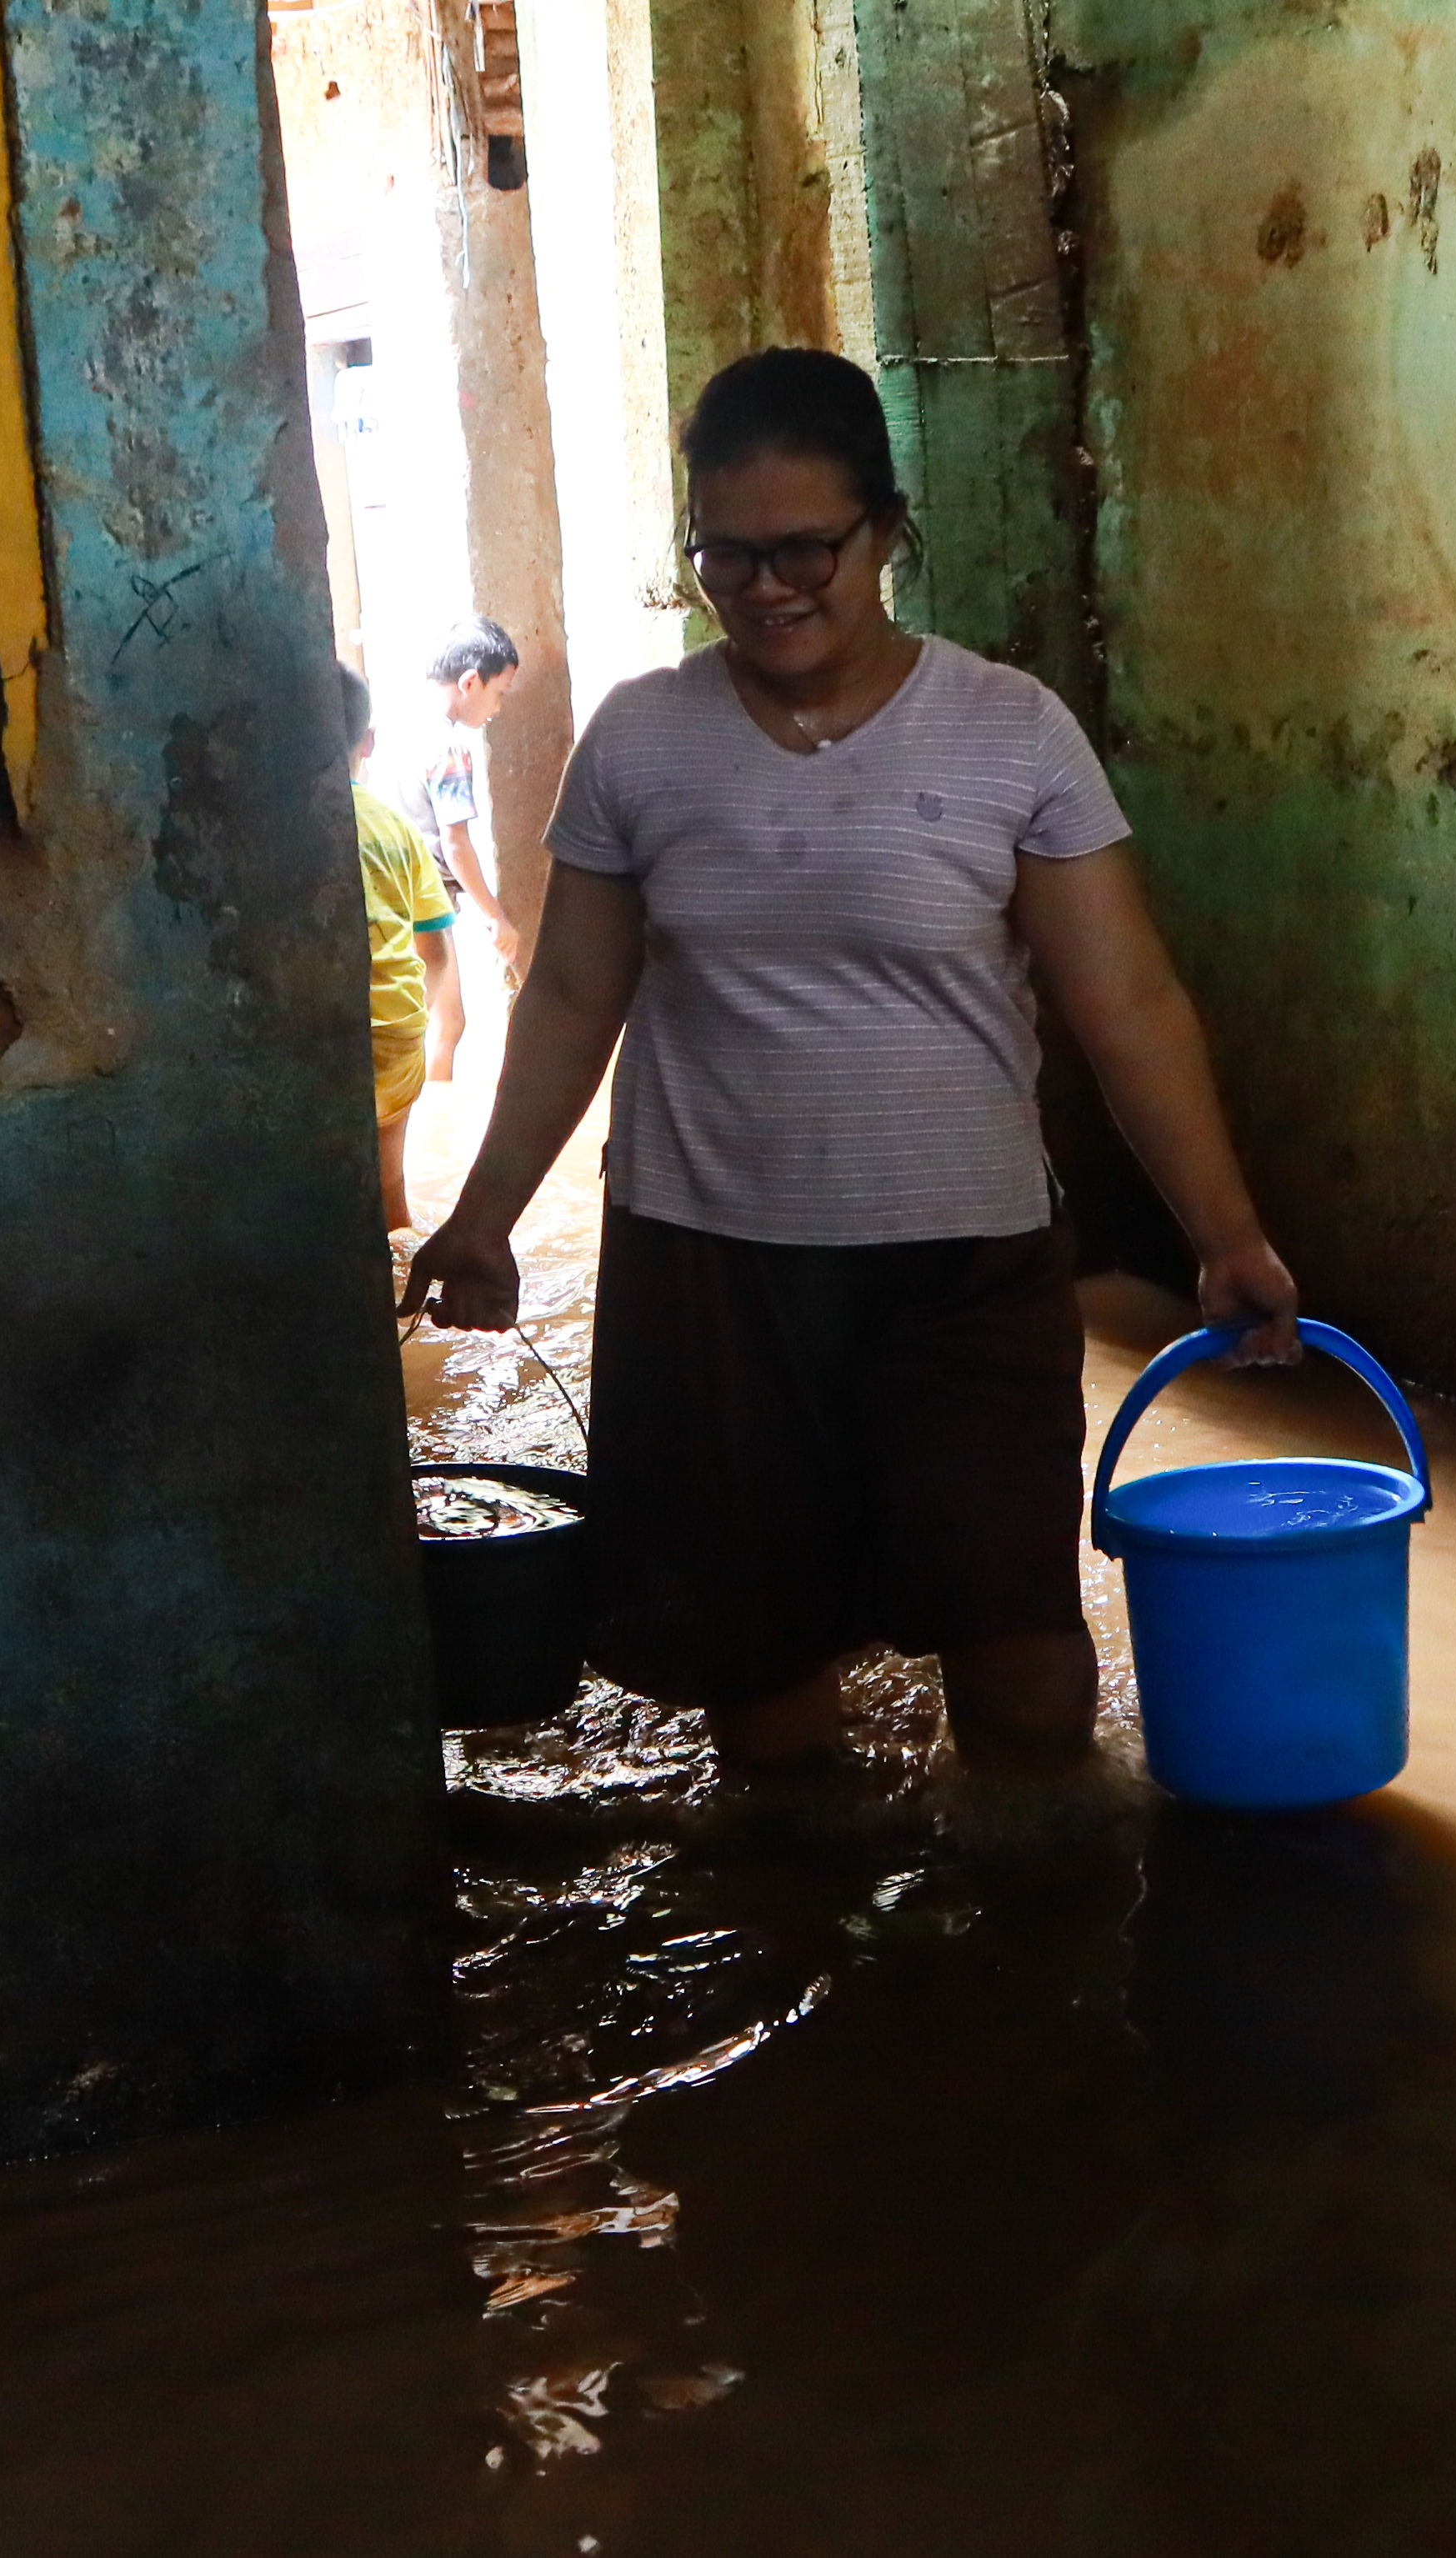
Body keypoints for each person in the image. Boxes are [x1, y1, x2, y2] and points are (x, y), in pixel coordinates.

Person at [401, 347, 1299, 1813]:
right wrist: (485, 1210)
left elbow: (1122, 998)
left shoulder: (1007, 728)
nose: (764, 587)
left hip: (964, 1266)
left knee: (1021, 1670)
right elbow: (571, 991)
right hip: (712, 1267)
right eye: (724, 555)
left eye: (802, 548)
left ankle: (1026, 1973)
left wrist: (1223, 1232)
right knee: (759, 1695)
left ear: (882, 530)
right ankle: (819, 1964)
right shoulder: (640, 739)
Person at [347, 663, 457, 1230]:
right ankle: (406, 1302)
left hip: (325, 1035)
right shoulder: (393, 826)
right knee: (390, 1189)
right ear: (368, 741)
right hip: (396, 1026)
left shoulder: (282, 830)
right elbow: (434, 951)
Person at [417, 615, 523, 978]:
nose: (498, 709)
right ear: (470, 682)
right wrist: (495, 916)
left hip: (390, 895)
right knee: (447, 1022)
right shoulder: (449, 750)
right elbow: (455, 844)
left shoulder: (399, 730)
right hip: (423, 904)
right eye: (499, 694)